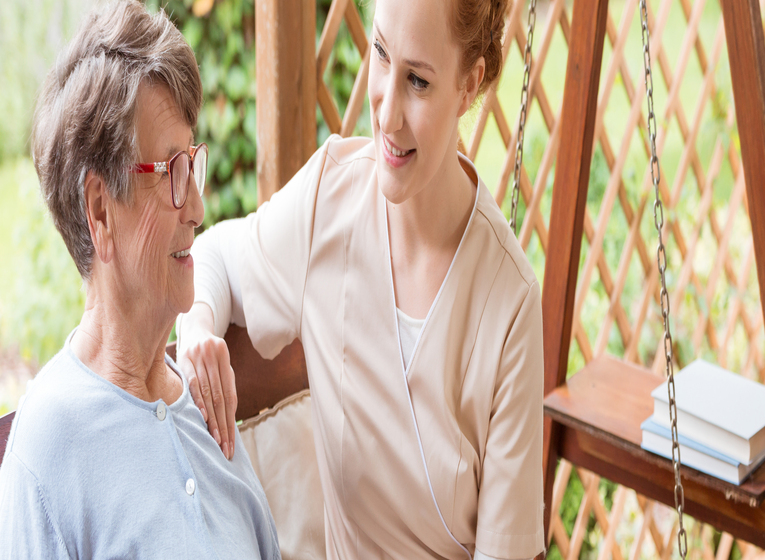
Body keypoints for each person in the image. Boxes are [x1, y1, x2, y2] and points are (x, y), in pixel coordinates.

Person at [177, 0, 544, 558]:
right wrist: (199, 326)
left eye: (418, 81)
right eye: (380, 53)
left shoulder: (509, 302)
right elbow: (217, 258)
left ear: (469, 86)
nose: (387, 113)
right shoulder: (331, 198)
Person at [0, 2, 281, 558]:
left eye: (192, 165)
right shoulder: (48, 452)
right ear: (100, 211)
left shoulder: (204, 409)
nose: (198, 206)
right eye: (171, 172)